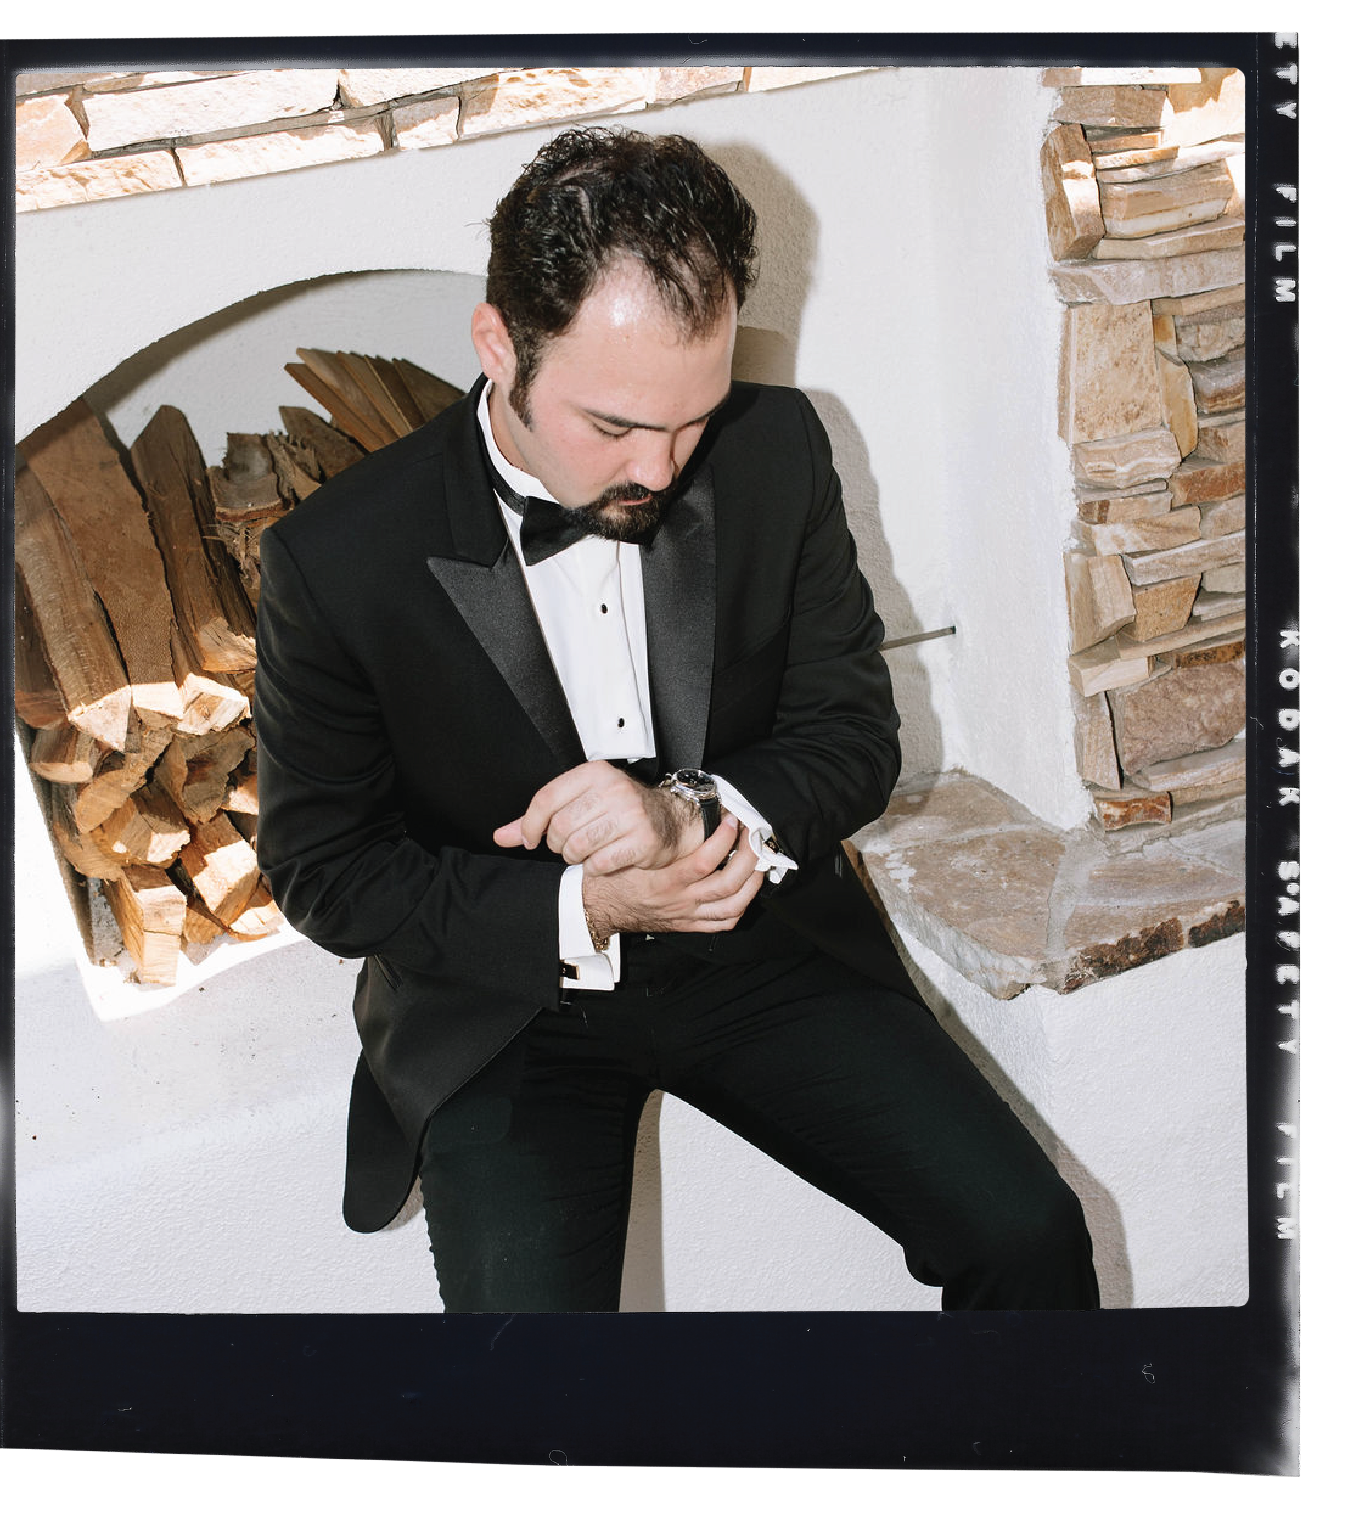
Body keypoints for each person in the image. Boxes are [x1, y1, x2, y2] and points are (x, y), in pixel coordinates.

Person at [254, 126, 1099, 1313]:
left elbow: (852, 732)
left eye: (691, 417)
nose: (659, 465)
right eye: (612, 426)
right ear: (499, 344)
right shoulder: (335, 559)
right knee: (535, 1406)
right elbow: (324, 871)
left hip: (759, 944)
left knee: (1029, 1234)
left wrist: (686, 815)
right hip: (508, 1006)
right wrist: (585, 902)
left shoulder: (778, 449)